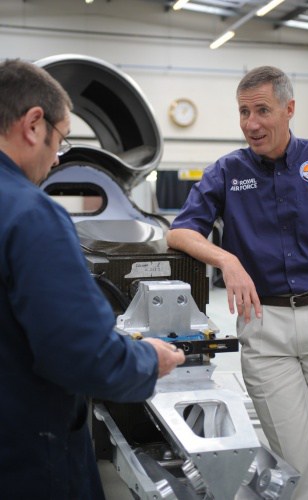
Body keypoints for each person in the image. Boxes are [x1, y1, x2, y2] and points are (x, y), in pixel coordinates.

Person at [0, 59, 185, 500]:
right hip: (26, 454)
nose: (58, 156)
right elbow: (82, 355)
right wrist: (147, 360)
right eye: (61, 139)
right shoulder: (31, 215)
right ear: (32, 125)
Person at [166, 65, 308, 500]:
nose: (251, 123)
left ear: (289, 109)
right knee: (297, 457)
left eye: (262, 110)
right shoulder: (226, 171)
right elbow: (179, 231)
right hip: (265, 326)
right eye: (243, 112)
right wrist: (227, 259)